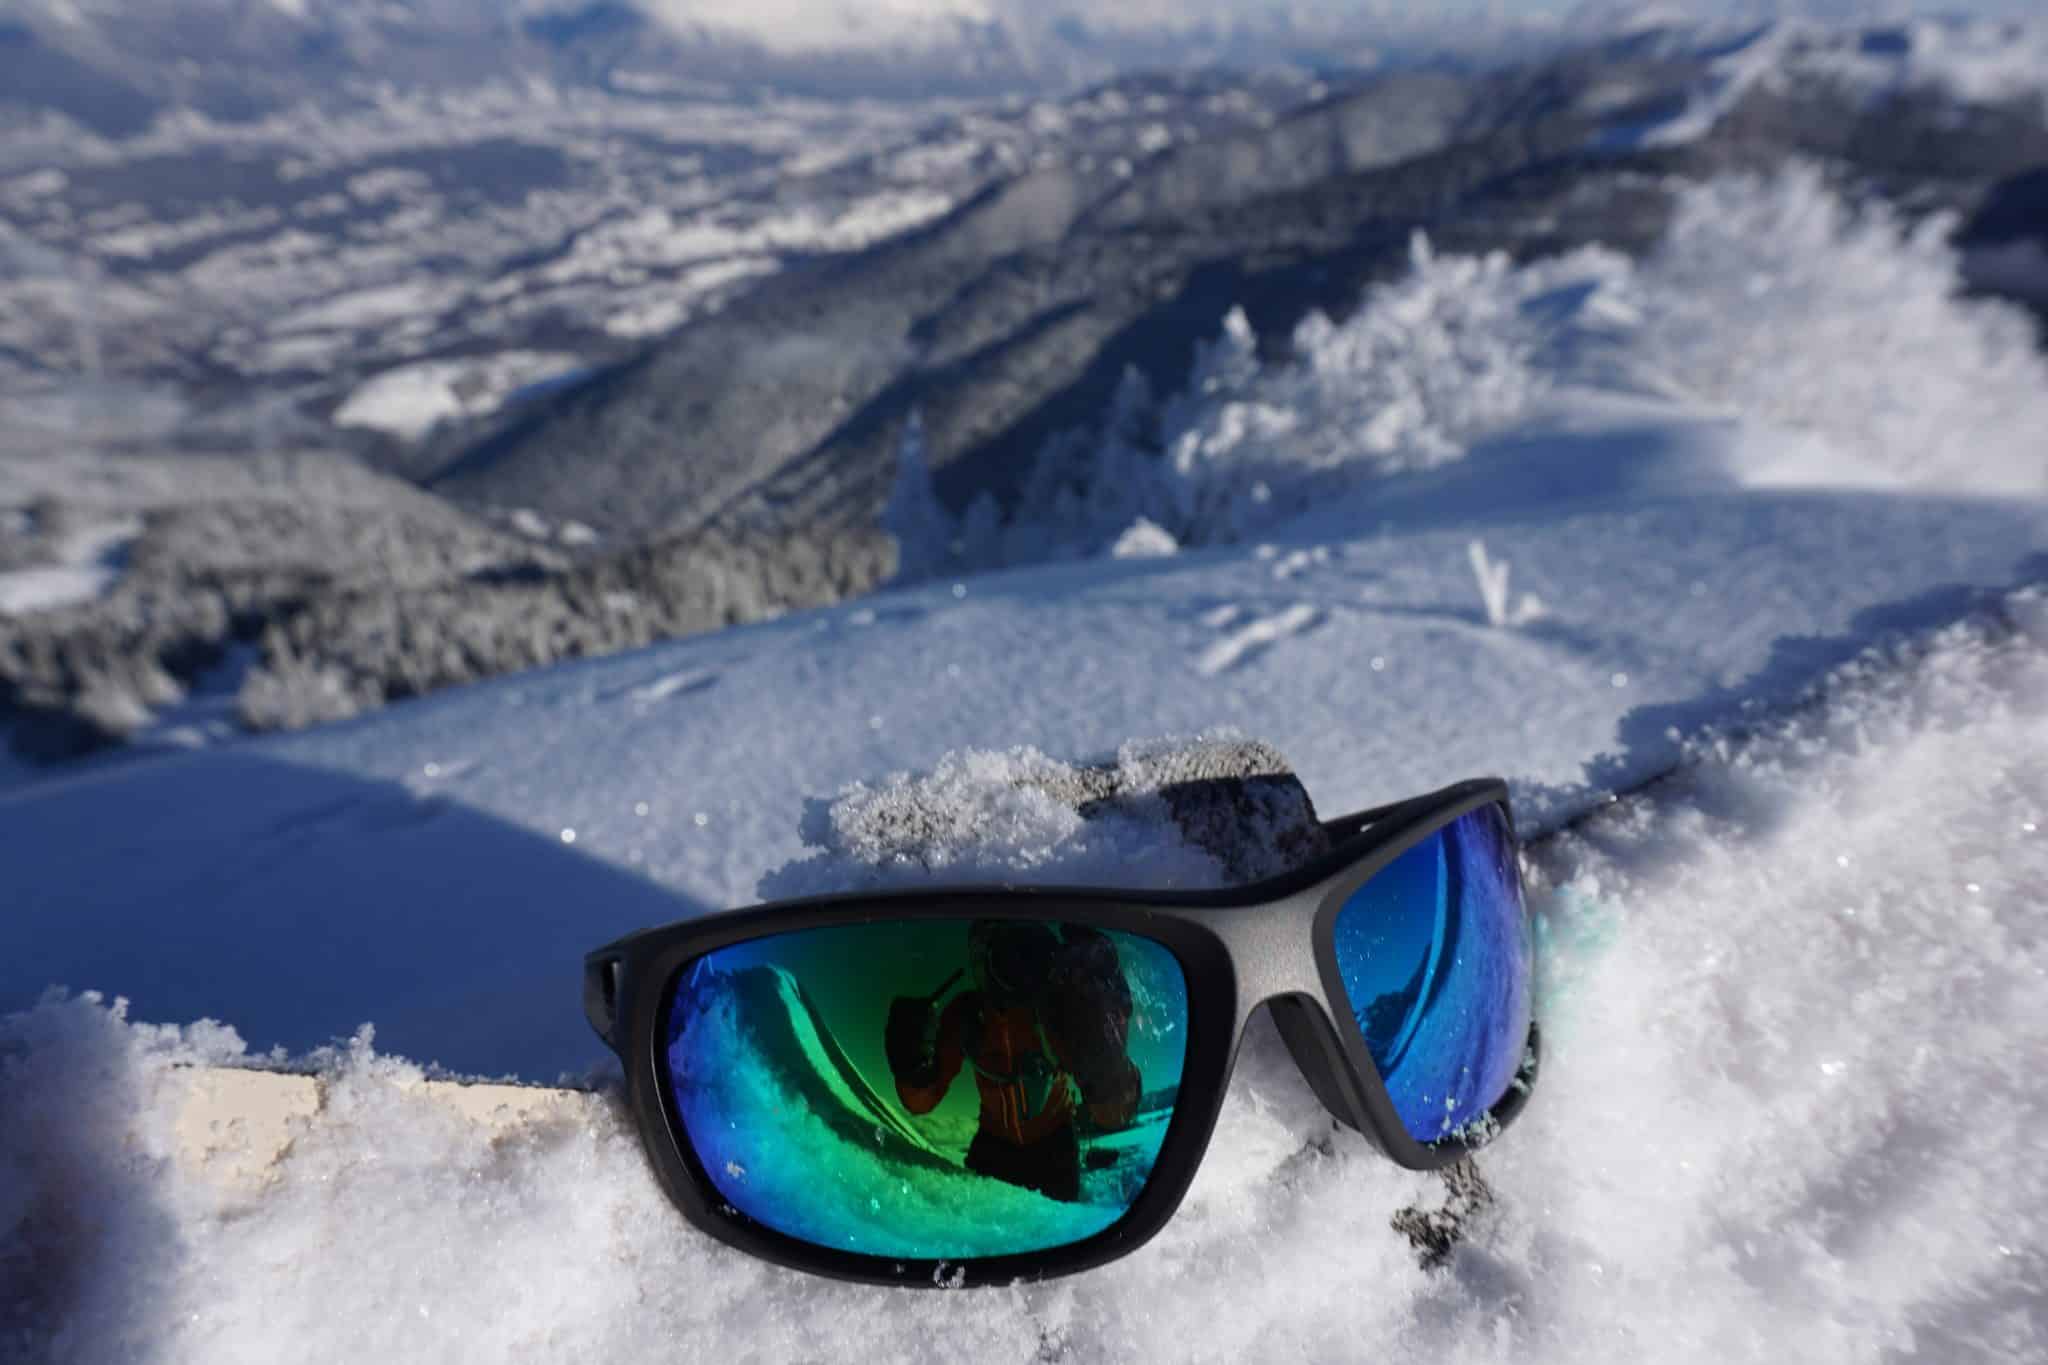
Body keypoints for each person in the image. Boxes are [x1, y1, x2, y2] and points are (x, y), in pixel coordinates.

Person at [884, 921, 1142, 1202]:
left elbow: (1112, 1113)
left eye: (1015, 950)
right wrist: (911, 1063)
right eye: (984, 952)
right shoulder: (965, 1014)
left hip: (1055, 1143)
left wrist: (1105, 1033)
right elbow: (921, 1101)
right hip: (994, 1144)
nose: (1004, 967)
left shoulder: (1056, 1012)